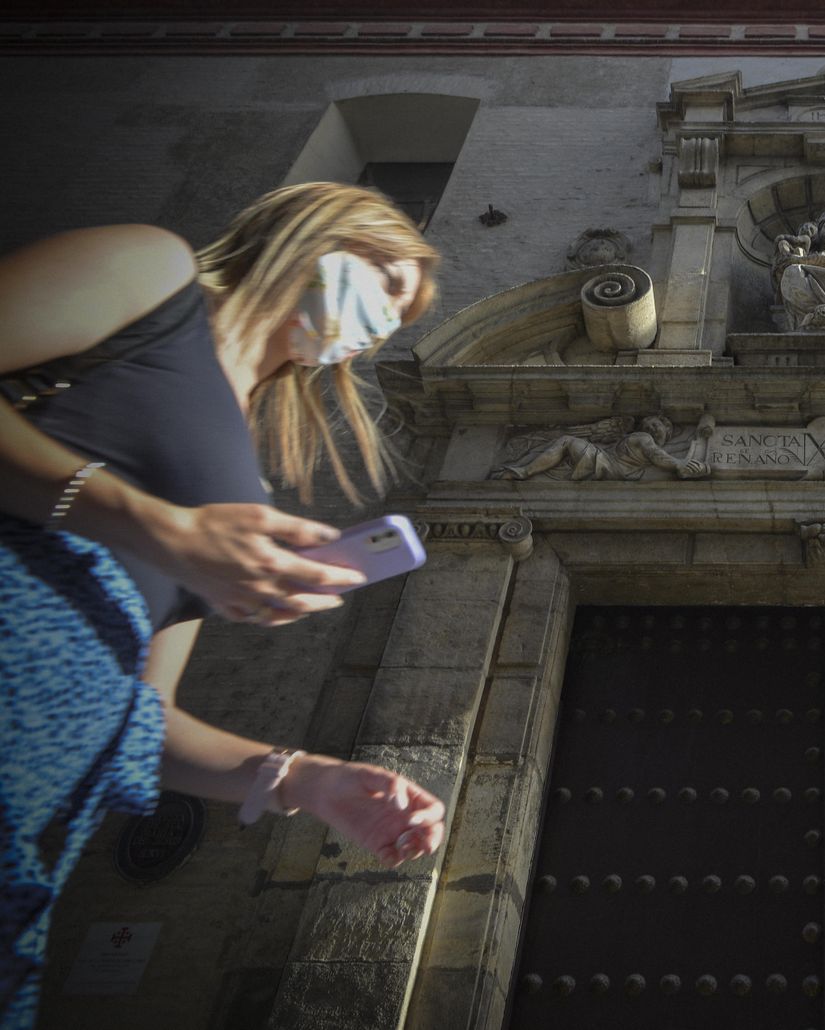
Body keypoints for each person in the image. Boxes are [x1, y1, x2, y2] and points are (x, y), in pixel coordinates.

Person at [0, 183, 449, 1028]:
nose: (387, 324)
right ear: (324, 233)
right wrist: (156, 525)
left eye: (404, 319)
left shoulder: (241, 464)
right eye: (390, 286)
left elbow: (147, 714)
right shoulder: (155, 277)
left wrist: (300, 780)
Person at [491, 414, 708, 481]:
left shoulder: (646, 441)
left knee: (566, 440)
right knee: (564, 444)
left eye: (657, 425)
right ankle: (522, 469)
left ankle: (524, 471)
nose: (651, 428)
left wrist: (680, 463)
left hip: (607, 464)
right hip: (606, 462)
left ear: (667, 433)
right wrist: (679, 463)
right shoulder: (642, 437)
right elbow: (656, 454)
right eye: (649, 424)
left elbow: (656, 454)